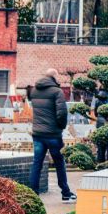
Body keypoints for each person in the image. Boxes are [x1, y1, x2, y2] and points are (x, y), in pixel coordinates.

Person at [28, 68, 74, 201]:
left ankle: (33, 196)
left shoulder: (34, 90)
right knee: (59, 163)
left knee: (37, 163)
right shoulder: (57, 91)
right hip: (53, 134)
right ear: (54, 77)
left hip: (37, 134)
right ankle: (65, 193)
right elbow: (62, 113)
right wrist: (60, 127)